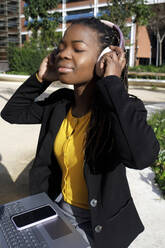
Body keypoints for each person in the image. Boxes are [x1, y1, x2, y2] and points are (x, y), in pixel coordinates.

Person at [1, 17, 159, 248]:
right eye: (62, 47)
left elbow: (142, 157)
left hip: (100, 225)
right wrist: (40, 79)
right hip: (58, 211)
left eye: (77, 48)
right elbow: (12, 113)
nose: (63, 54)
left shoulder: (122, 109)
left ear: (105, 57)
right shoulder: (59, 105)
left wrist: (112, 81)